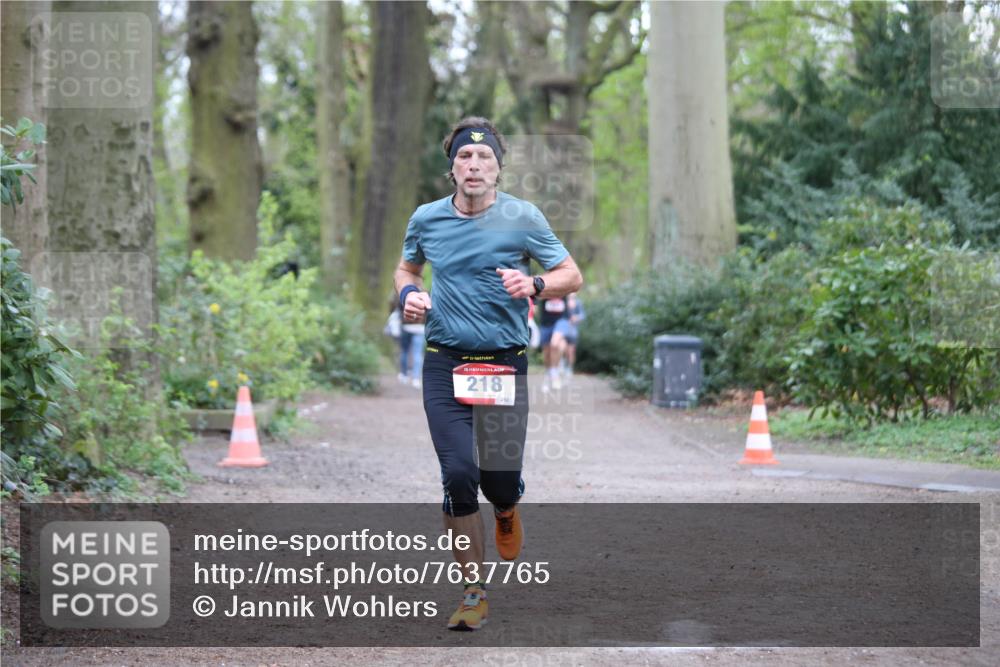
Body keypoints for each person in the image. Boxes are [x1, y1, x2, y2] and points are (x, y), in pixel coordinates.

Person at [394, 116, 582, 631]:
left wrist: (536, 284)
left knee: (498, 482)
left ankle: (505, 508)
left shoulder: (524, 217)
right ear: (451, 168)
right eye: (464, 158)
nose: (474, 165)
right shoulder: (426, 219)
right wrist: (410, 295)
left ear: (498, 170)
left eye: (485, 159)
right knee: (457, 476)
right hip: (443, 361)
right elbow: (407, 268)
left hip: (503, 362)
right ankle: (473, 592)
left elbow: (573, 274)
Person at [551, 292, 585, 382]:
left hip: (572, 331)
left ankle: (569, 368)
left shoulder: (578, 302)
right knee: (561, 347)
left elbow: (582, 315)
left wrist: (576, 318)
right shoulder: (562, 301)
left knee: (570, 351)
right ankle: (560, 364)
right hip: (562, 331)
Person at [537, 295, 568, 391]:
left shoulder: (564, 285)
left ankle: (555, 373)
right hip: (545, 323)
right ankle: (549, 373)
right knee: (546, 354)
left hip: (561, 321)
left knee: (555, 344)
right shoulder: (543, 283)